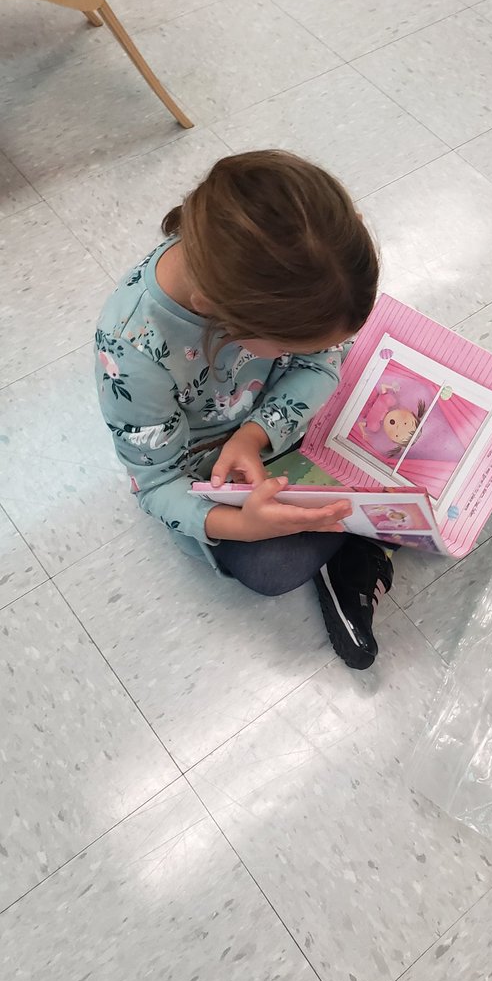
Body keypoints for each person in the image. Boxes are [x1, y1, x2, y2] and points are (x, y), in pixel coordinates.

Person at [95, 150, 392, 670]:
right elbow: (157, 485)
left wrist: (255, 434)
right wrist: (245, 528)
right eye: (283, 344)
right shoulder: (131, 351)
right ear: (218, 312)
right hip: (208, 470)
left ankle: (345, 541)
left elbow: (322, 362)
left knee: (393, 433)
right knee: (273, 567)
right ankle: (350, 552)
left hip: (269, 428)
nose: (291, 353)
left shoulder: (282, 272)